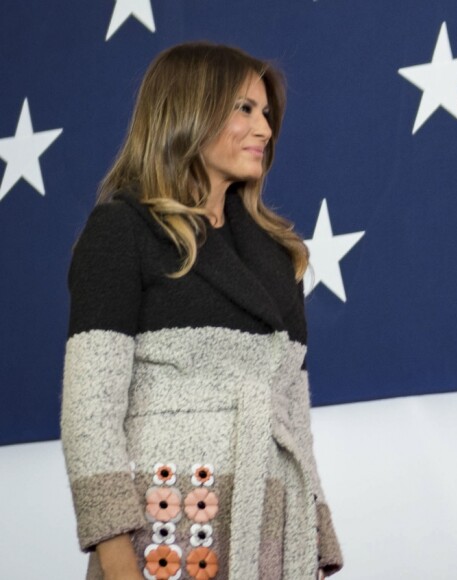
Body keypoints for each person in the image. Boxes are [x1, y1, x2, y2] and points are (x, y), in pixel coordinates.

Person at [61, 42, 343, 580]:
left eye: (266, 113)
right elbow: (89, 416)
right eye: (244, 109)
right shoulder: (121, 231)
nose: (264, 129)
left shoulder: (282, 258)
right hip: (165, 539)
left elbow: (295, 422)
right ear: (188, 110)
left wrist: (314, 537)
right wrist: (118, 567)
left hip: (269, 538)